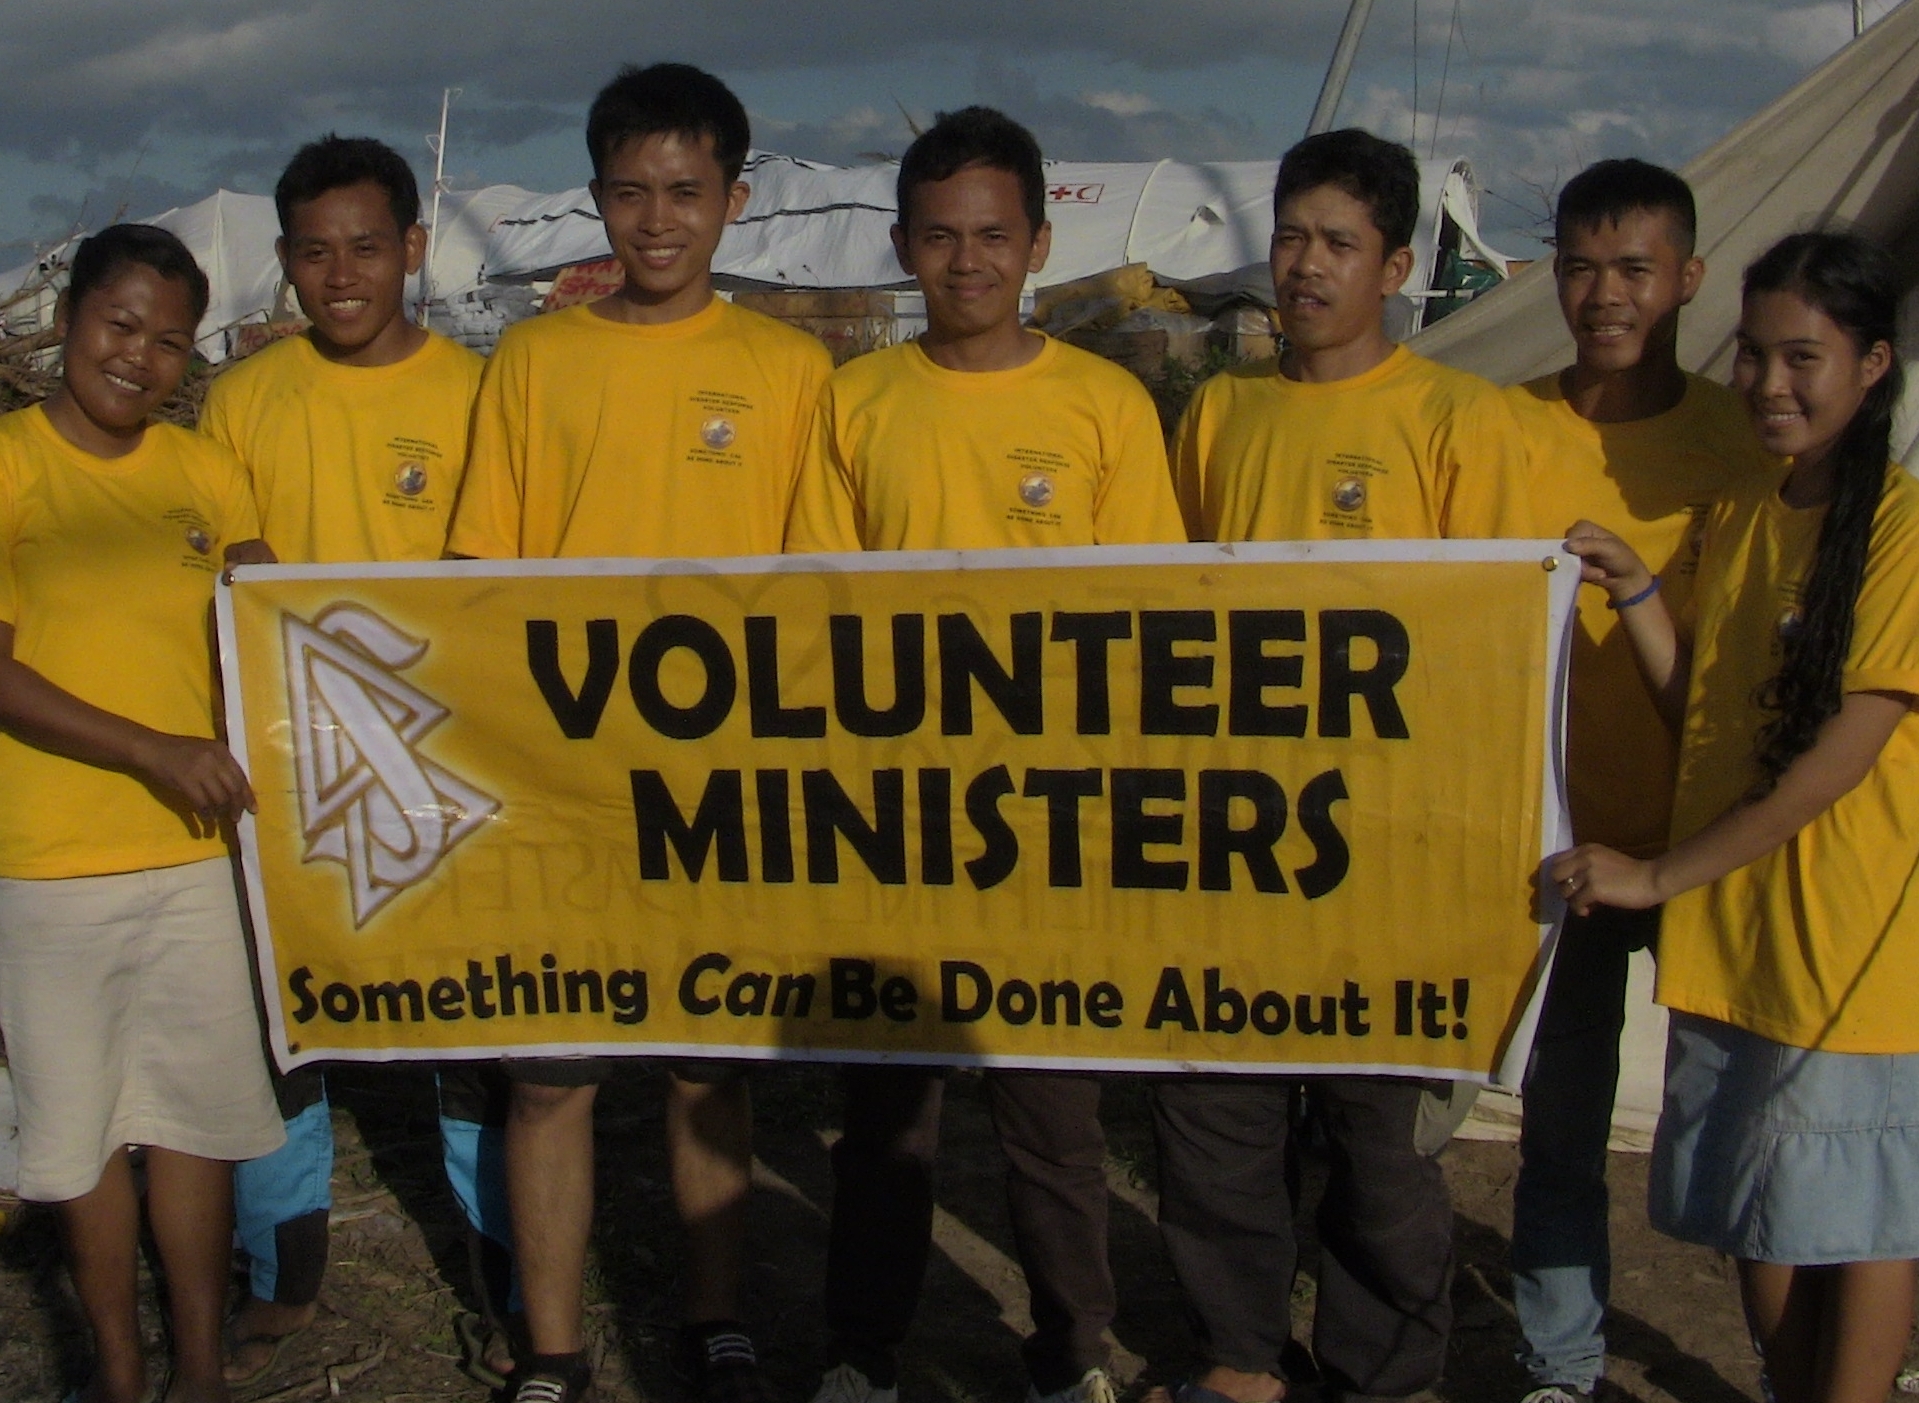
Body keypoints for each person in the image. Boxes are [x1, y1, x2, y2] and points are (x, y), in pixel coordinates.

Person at [785, 104, 1185, 1403]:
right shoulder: (851, 403)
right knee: (885, 1113)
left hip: (1054, 822)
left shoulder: (1104, 404)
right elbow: (810, 606)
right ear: (903, 245)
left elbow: (1148, 626)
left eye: (991, 235)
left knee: (1052, 1120)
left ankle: (1069, 1347)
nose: (967, 261)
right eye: (941, 236)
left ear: (1036, 242)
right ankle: (861, 1345)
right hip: (891, 816)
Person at [446, 61, 832, 1403]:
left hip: (724, 789)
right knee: (547, 1074)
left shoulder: (791, 371)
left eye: (684, 192)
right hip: (563, 787)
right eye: (628, 192)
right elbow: (482, 579)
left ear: (733, 198)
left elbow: (819, 600)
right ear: (594, 200)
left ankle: (714, 1321)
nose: (656, 220)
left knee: (706, 1065)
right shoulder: (537, 359)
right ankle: (551, 1347)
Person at [1159, 128, 1533, 1403]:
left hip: (1392, 860)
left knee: (1379, 1152)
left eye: (1338, 243)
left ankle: (1385, 1373)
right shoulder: (1217, 412)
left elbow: (1493, 652)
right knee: (1217, 1129)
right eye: (1290, 235)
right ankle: (1240, 1355)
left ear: (1393, 265)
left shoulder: (1456, 420)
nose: (1305, 266)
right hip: (1234, 851)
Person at [1553, 229, 1918, 1403]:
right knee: (1754, 1212)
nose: (1768, 384)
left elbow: (1834, 761)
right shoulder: (1746, 508)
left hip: (1847, 942)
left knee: (1854, 1214)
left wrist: (1655, 876)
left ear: (1872, 364)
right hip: (1735, 928)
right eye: (1753, 356)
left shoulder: (1905, 530)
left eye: (1802, 357)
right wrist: (1638, 588)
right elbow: (1703, 714)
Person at [198, 133, 517, 1389]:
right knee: (282, 1027)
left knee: (471, 1028)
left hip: (447, 772)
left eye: (367, 246)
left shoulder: (479, 393)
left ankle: (505, 1272)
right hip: (283, 769)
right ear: (284, 264)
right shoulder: (240, 402)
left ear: (414, 250)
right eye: (315, 251)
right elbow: (219, 570)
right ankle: (286, 1272)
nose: (341, 274)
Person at [0, 223, 284, 1403]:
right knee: (78, 1135)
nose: (140, 358)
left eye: (171, 342)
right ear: (68, 318)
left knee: (195, 1121)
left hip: (195, 861)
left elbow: (275, 621)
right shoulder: (10, 463)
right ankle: (119, 1364)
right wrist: (148, 748)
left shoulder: (204, 473)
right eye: (121, 325)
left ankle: (201, 1368)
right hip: (47, 866)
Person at [1501, 159, 1769, 1403]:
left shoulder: (1744, 439)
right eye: (1576, 267)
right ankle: (1559, 1363)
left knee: (1755, 1130)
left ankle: (1812, 1360)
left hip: (1720, 841)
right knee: (1559, 1126)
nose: (1601, 295)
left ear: (1688, 280)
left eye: (1631, 270)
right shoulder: (1498, 425)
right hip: (1558, 844)